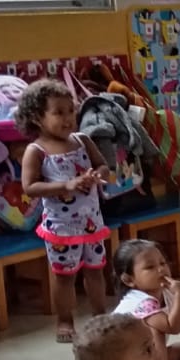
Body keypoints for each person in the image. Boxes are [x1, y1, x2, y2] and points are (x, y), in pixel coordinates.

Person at [17, 78, 111, 342]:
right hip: (61, 227)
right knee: (64, 277)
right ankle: (65, 320)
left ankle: (100, 315)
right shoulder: (36, 151)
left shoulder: (82, 140)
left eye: (71, 110)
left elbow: (103, 166)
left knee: (95, 270)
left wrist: (98, 175)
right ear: (37, 117)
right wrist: (66, 185)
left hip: (92, 222)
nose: (68, 118)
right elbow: (30, 187)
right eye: (58, 112)